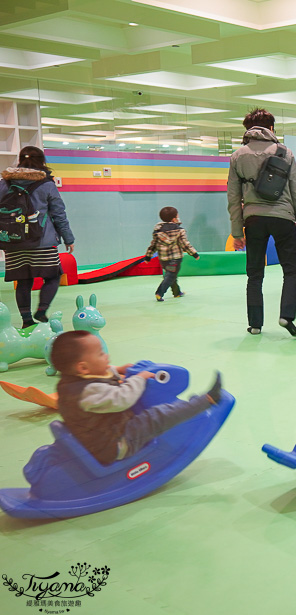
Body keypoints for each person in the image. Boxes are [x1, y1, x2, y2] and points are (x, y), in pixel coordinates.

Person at [49, 330, 222, 466]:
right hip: (116, 443)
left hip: (105, 432)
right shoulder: (87, 393)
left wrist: (119, 370)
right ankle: (206, 401)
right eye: (101, 354)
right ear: (83, 368)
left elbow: (100, 377)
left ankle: (188, 406)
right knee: (157, 416)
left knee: (149, 410)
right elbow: (123, 398)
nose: (107, 356)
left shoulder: (73, 382)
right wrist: (139, 378)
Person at [227, 108, 296, 338]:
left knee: (254, 273)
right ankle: (286, 316)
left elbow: (233, 198)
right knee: (290, 270)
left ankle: (255, 324)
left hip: (253, 219)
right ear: (271, 128)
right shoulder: (285, 152)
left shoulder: (238, 155)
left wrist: (237, 232)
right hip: (283, 217)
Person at [0, 146, 75, 329]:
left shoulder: (3, 184)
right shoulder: (46, 184)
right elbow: (59, 214)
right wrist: (69, 238)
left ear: (20, 160)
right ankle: (41, 311)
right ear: (42, 161)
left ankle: (26, 320)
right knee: (53, 276)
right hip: (42, 241)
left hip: (13, 242)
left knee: (23, 280)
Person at [144, 206, 199, 302]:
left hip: (163, 259)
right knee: (170, 276)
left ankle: (177, 292)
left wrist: (148, 256)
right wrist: (194, 254)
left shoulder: (158, 231)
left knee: (171, 275)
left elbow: (153, 245)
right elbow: (185, 244)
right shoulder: (179, 230)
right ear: (174, 218)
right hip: (175, 258)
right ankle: (159, 293)